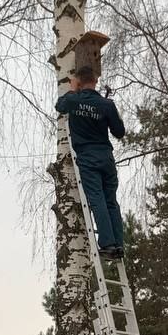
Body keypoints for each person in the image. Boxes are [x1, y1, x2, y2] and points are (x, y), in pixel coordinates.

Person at [55, 30, 126, 258]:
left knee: (96, 200)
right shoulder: (106, 105)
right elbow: (119, 132)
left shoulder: (74, 100)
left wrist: (72, 89)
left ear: (79, 81)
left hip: (87, 157)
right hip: (106, 156)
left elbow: (60, 106)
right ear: (95, 80)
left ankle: (107, 244)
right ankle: (118, 244)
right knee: (111, 201)